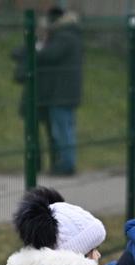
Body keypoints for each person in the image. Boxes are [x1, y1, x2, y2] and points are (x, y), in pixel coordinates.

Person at [35, 8, 83, 176]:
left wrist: (38, 47)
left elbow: (49, 55)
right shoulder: (73, 35)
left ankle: (66, 165)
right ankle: (67, 163)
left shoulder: (64, 37)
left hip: (61, 92)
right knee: (66, 128)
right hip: (68, 91)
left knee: (62, 130)